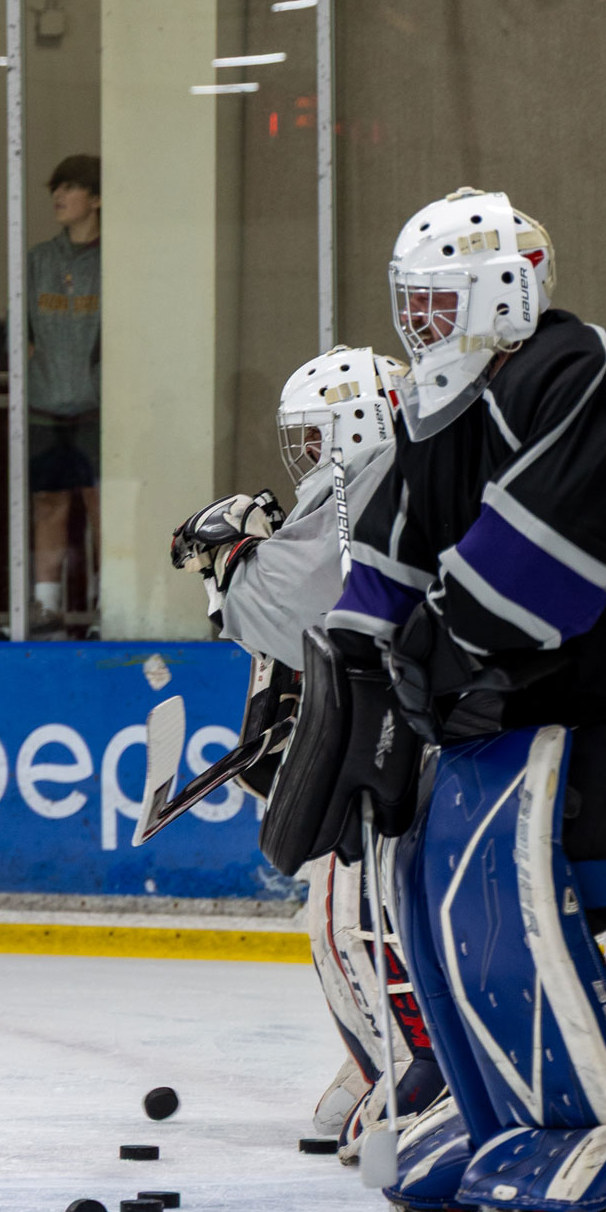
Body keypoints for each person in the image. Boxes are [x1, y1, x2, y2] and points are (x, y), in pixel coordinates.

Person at [308, 187, 606, 1212]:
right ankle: (500, 1108)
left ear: (502, 291)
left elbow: (538, 567)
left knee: (516, 894)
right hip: (534, 715)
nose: (418, 329)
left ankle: (592, 1137)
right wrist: (364, 675)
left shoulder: (576, 368)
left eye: (436, 303)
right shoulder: (437, 408)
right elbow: (392, 550)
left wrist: (433, 653)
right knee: (434, 889)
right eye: (408, 306)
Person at [170, 347, 442, 1147]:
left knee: (351, 911)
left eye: (317, 434)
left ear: (357, 420)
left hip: (405, 738)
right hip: (403, 730)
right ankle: (376, 1062)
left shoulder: (377, 482)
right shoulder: (376, 483)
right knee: (342, 910)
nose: (309, 455)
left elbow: (299, 605)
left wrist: (230, 567)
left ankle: (412, 1068)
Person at [26, 155, 102, 637]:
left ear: (96, 198)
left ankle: (107, 604)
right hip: (44, 403)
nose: (59, 196)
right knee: (49, 504)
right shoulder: (38, 260)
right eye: (56, 187)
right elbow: (20, 332)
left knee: (100, 504)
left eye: (71, 187)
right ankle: (46, 606)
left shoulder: (116, 259)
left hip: (100, 406)